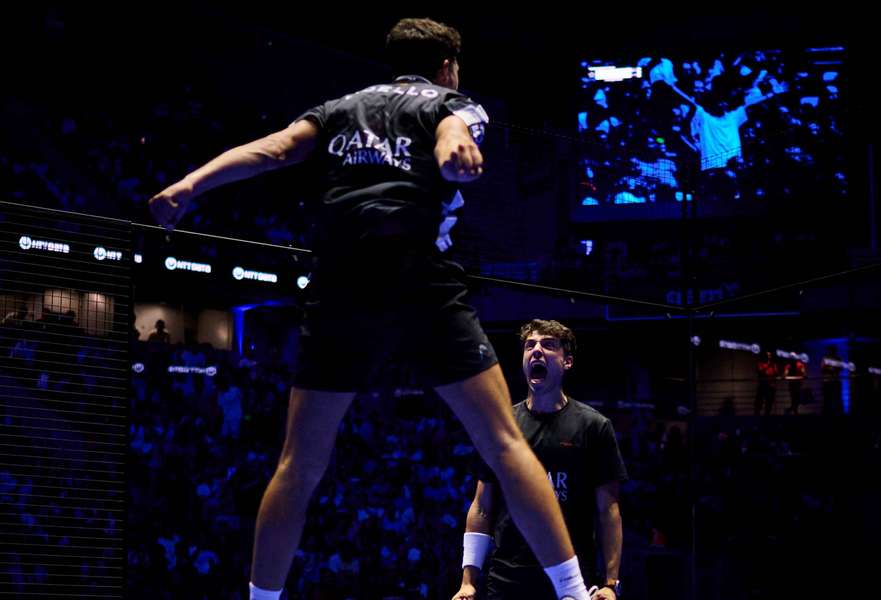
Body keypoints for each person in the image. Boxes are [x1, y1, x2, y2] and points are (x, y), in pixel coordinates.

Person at [149, 18, 594, 600]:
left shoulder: (339, 107)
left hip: (341, 288)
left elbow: (274, 149)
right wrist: (455, 151)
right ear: (448, 66)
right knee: (506, 445)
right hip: (420, 284)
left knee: (298, 466)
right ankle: (574, 594)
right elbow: (453, 133)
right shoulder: (452, 101)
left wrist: (189, 186)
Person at [452, 319, 628, 600]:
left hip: (571, 579)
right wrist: (468, 581)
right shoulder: (502, 424)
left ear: (567, 362)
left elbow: (608, 510)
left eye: (548, 345)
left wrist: (610, 583)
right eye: (529, 345)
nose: (536, 350)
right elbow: (482, 506)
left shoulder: (594, 427)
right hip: (507, 578)